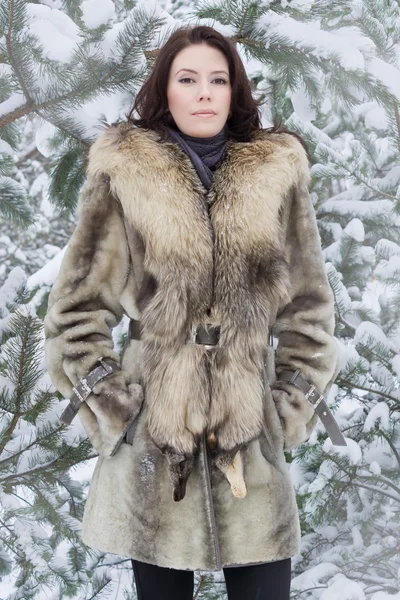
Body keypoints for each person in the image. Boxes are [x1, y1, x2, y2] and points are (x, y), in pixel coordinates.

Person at [43, 24, 343, 600]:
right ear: (166, 90)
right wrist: (118, 409)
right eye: (188, 79)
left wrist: (284, 412)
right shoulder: (123, 174)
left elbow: (309, 310)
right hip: (155, 440)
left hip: (250, 437)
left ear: (234, 92)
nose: (204, 92)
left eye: (217, 80)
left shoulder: (276, 173)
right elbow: (76, 311)